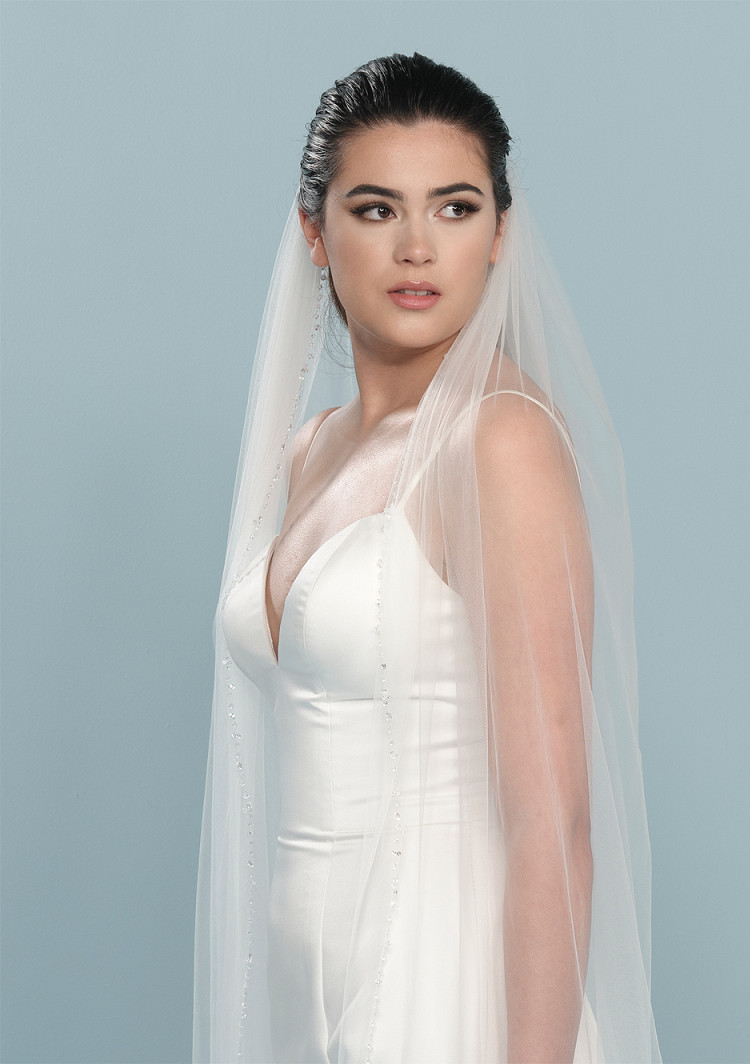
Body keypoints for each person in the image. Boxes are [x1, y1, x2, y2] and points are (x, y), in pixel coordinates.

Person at [193, 53, 661, 1064]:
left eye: (454, 207)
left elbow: (554, 821)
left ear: (500, 234)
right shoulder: (308, 451)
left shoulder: (498, 439)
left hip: (444, 988)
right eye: (375, 209)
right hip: (304, 989)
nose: (416, 247)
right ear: (315, 233)